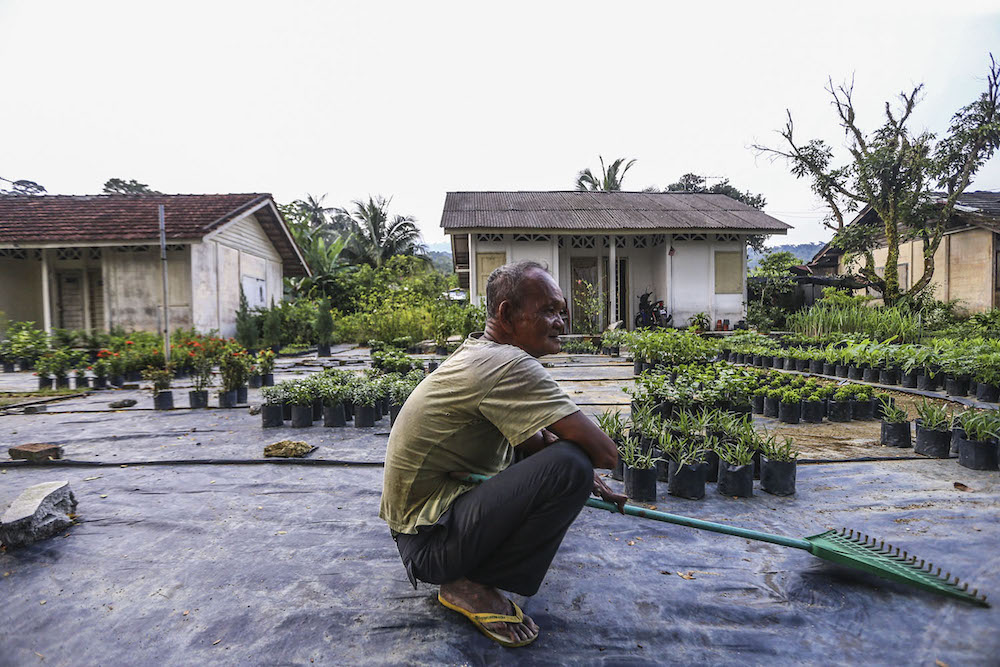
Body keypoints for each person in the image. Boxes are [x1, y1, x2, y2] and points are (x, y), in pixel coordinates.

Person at [379, 260, 626, 648]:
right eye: (548, 311)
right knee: (571, 465)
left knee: (557, 460)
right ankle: (471, 584)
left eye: (561, 311)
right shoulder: (508, 364)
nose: (560, 322)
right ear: (507, 314)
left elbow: (534, 439)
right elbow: (606, 454)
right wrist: (585, 473)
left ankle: (473, 569)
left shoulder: (481, 351)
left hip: (419, 531)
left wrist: (587, 478)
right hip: (430, 545)